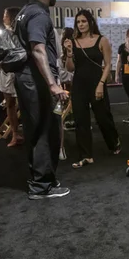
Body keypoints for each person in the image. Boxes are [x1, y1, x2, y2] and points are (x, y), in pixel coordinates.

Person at [14, 0, 70, 200]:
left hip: (26, 79)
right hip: (36, 81)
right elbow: (38, 49)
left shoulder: (24, 11)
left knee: (36, 129)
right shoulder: (39, 14)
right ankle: (41, 186)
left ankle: (42, 179)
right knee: (46, 130)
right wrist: (53, 84)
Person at [64, 10, 121, 169]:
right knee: (81, 120)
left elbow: (108, 64)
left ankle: (113, 142)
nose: (80, 25)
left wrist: (101, 84)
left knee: (103, 117)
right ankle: (86, 155)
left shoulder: (101, 40)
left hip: (97, 83)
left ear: (90, 22)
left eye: (83, 21)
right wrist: (69, 53)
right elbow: (70, 68)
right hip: (79, 85)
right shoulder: (74, 42)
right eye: (78, 22)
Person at [0, 7, 24, 147]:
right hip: (7, 74)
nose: (3, 18)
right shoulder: (2, 35)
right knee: (10, 104)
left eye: (5, 15)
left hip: (22, 73)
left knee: (26, 104)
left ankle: (30, 132)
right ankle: (15, 134)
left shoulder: (24, 33)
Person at [58, 27, 75, 160]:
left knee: (57, 116)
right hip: (51, 85)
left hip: (57, 87)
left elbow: (68, 70)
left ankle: (60, 147)